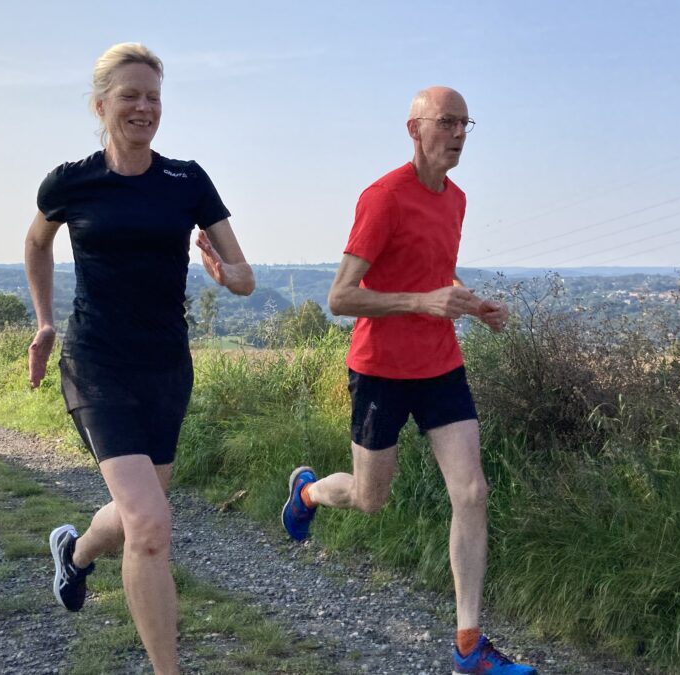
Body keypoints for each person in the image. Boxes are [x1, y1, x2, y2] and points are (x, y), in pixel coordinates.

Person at [281, 87, 535, 675]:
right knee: (370, 500)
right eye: (446, 122)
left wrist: (472, 307)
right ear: (414, 129)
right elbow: (341, 297)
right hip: (380, 372)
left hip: (441, 366)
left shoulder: (457, 199)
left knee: (472, 492)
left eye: (465, 124)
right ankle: (309, 493)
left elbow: (435, 276)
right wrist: (424, 302)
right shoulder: (383, 197)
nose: (458, 134)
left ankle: (468, 646)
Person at [25, 42, 254, 675]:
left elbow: (245, 277)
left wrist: (221, 270)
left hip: (165, 367)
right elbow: (36, 243)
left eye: (153, 96)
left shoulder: (188, 180)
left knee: (139, 513)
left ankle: (73, 555)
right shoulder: (71, 181)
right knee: (152, 525)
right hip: (96, 362)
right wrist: (45, 323)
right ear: (101, 106)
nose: (144, 107)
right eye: (130, 95)